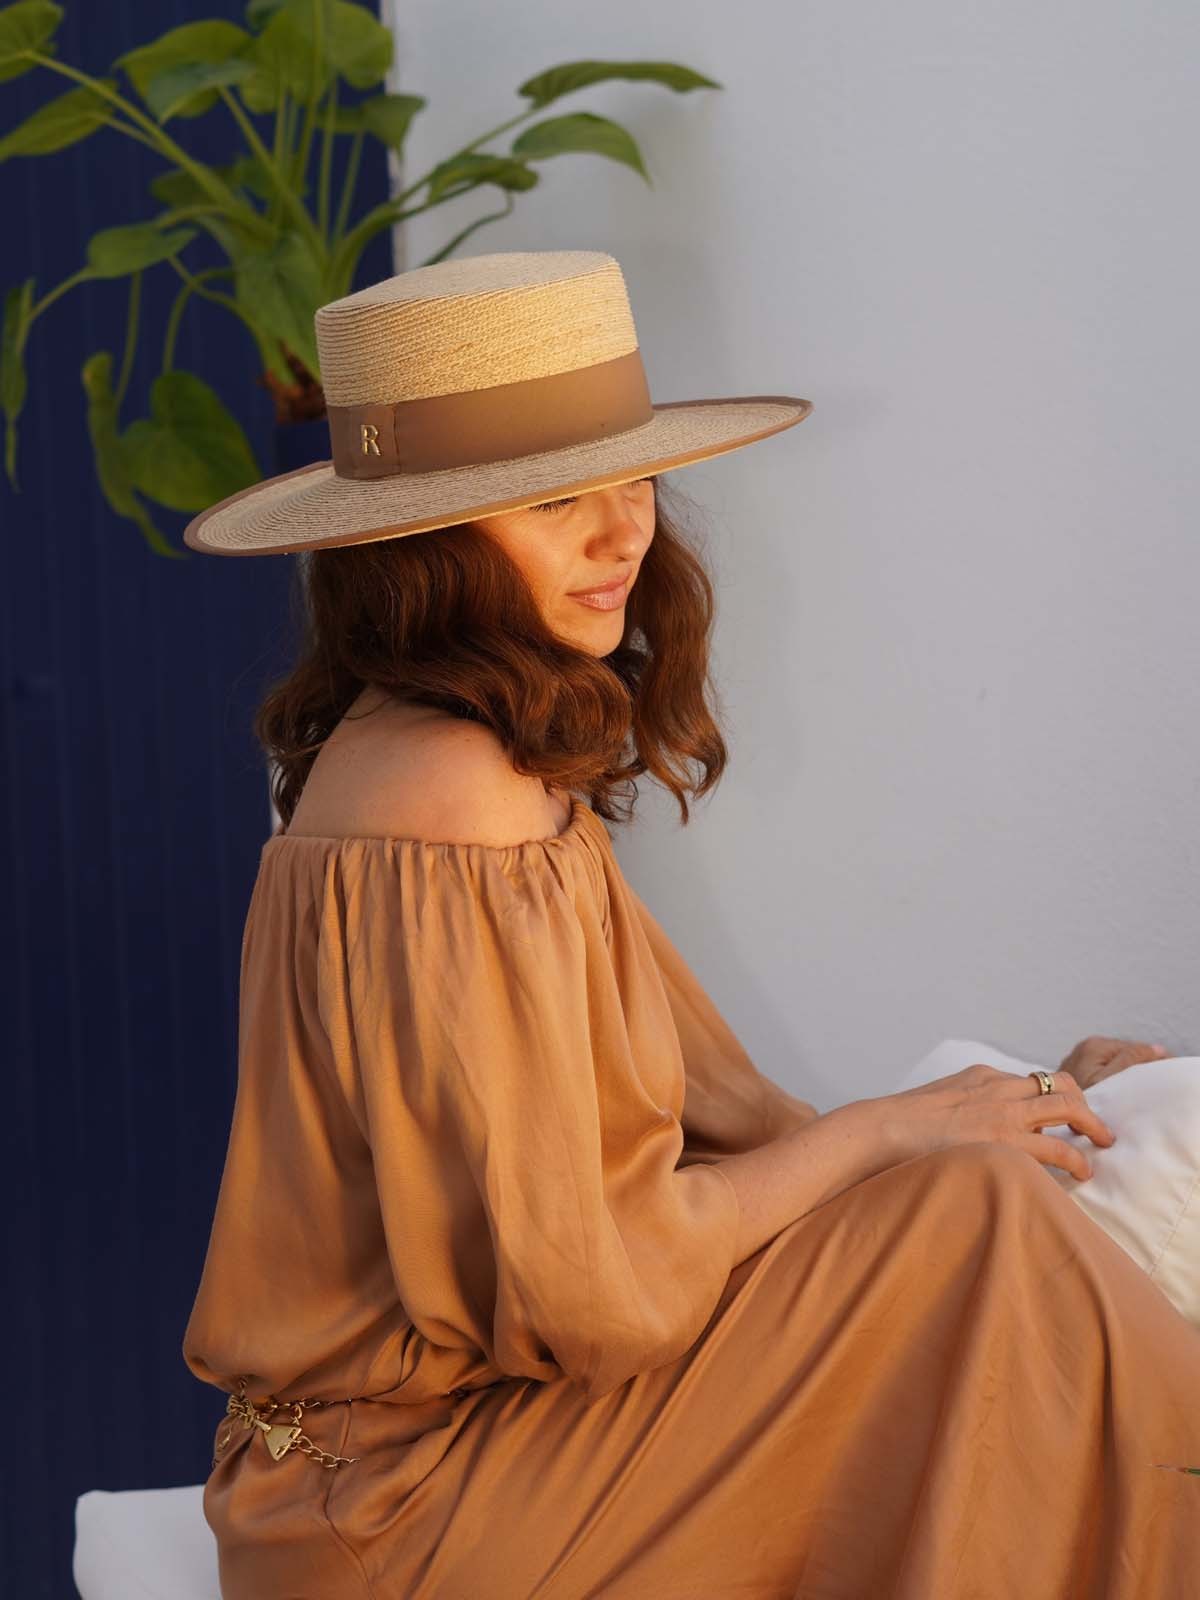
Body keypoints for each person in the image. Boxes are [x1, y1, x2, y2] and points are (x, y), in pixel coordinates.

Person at [181, 250, 1200, 1599]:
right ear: (423, 539)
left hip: (383, 1469)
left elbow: (712, 1117)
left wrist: (1034, 1098)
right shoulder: (457, 798)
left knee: (975, 1206)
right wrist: (889, 1134)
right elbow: (590, 1287)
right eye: (555, 500)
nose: (623, 535)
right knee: (976, 1222)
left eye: (632, 478)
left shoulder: (446, 751)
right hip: (408, 1503)